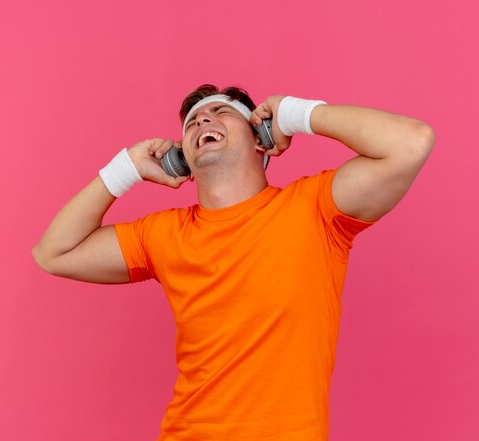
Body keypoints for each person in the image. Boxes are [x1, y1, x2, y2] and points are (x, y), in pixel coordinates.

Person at [32, 84, 435, 440]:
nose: (202, 119)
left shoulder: (316, 210)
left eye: (220, 111)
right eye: (191, 122)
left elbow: (411, 142)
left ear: (260, 136)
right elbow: (54, 252)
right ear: (182, 160)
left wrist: (296, 114)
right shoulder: (162, 235)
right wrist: (125, 169)